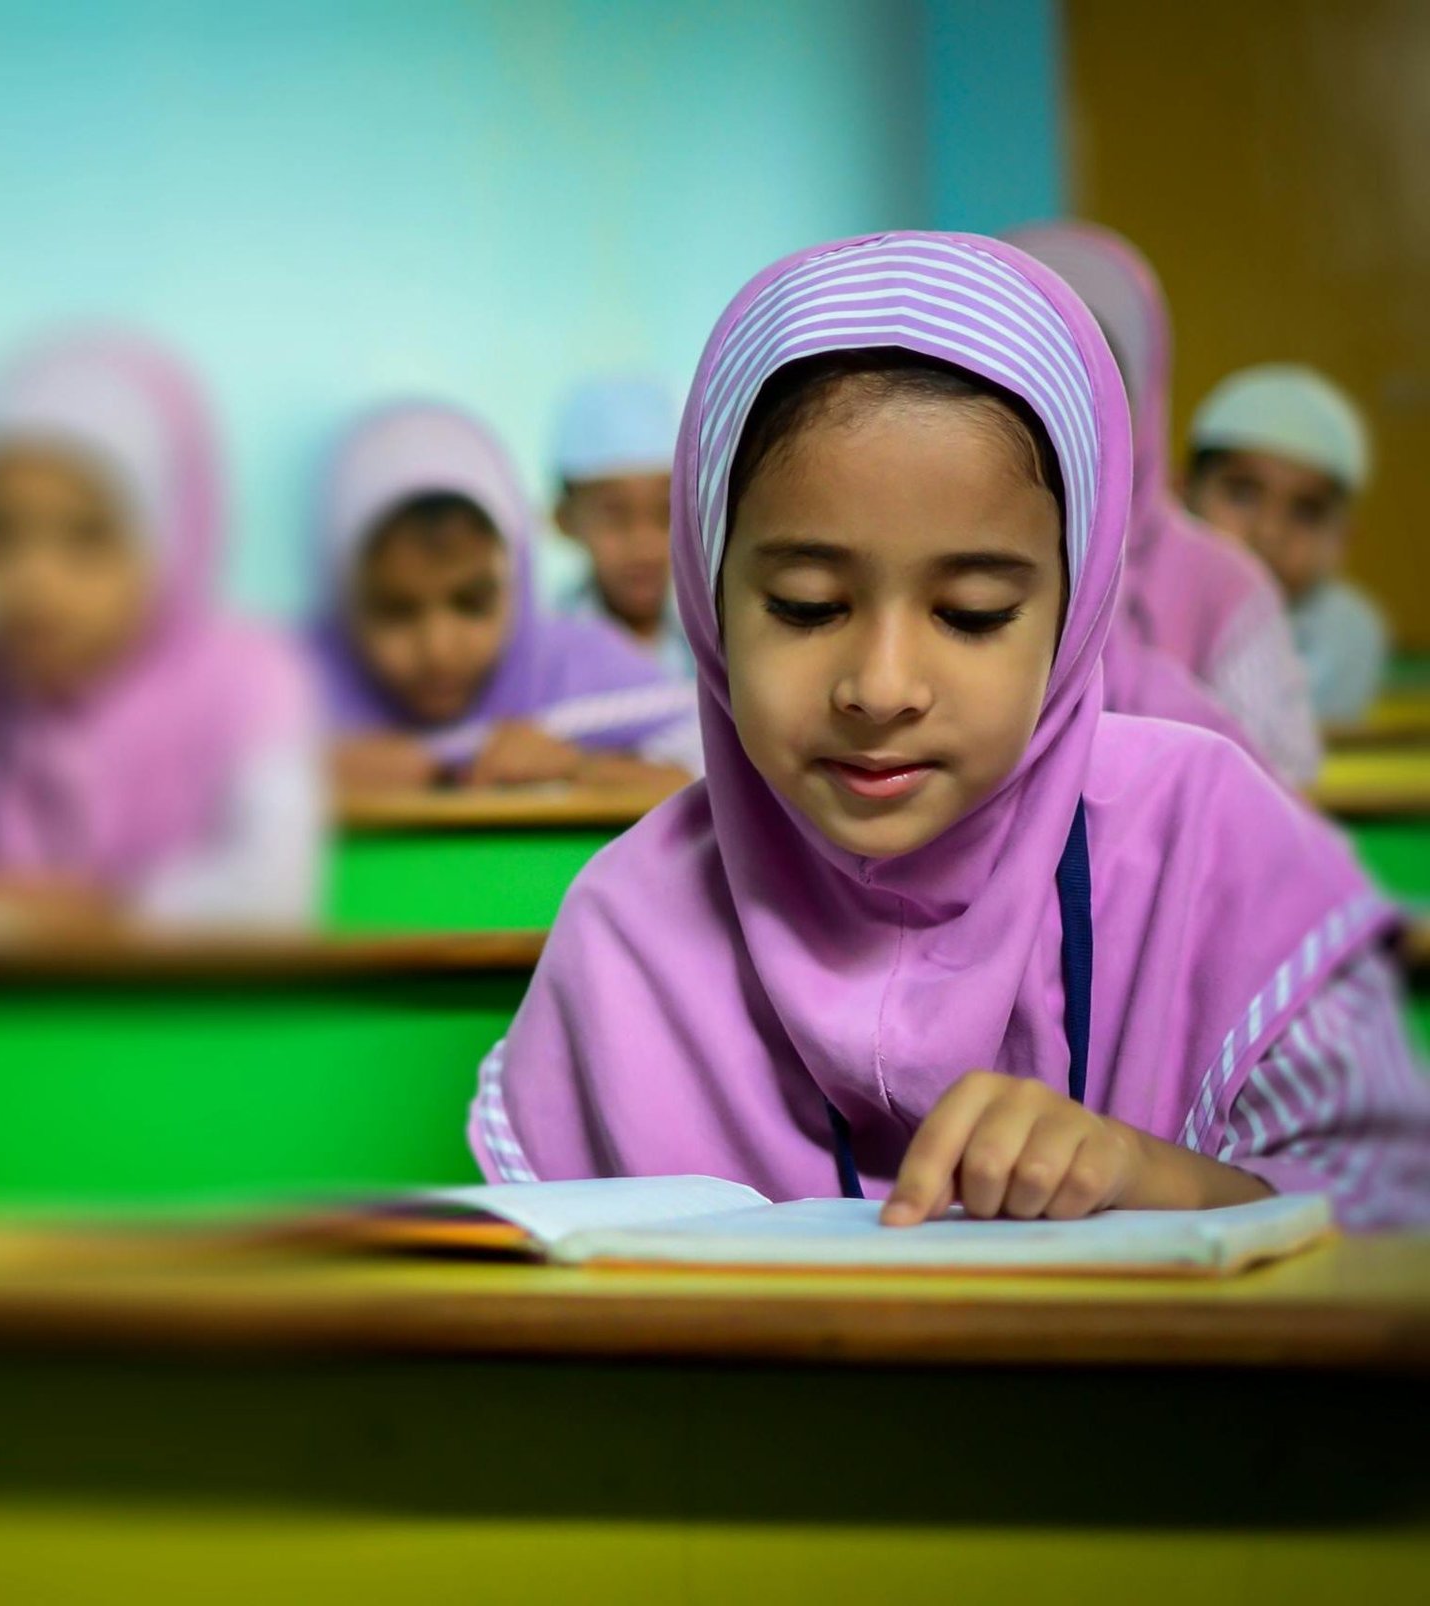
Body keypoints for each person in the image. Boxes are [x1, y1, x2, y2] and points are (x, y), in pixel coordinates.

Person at [471, 232, 1428, 1229]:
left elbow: (1396, 1219)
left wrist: (1162, 1182)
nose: (881, 689)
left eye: (970, 613)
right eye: (804, 605)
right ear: (709, 598)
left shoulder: (1211, 845)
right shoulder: (630, 931)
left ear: (1077, 603)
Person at [0, 331, 322, 929]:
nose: (32, 579)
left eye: (86, 536)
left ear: (169, 536)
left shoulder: (250, 679)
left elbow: (272, 898)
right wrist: (106, 914)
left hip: (175, 1023)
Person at [1008, 222, 1320, 785]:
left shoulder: (1223, 583)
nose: (1059, 412)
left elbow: (1278, 782)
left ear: (1141, 404)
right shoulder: (927, 558)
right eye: (1022, 379)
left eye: (1095, 380)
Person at [311, 401, 700, 792]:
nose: (439, 650)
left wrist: (579, 767)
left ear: (517, 582)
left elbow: (716, 774)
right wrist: (308, 778)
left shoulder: (583, 668)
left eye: (472, 604)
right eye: (396, 612)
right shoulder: (302, 690)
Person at [1186, 364, 1387, 726]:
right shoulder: (1132, 608)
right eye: (1242, 493)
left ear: (1340, 540)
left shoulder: (1348, 633)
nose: (1269, 532)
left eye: (1307, 512)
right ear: (1181, 496)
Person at [547, 376, 694, 679]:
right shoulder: (539, 650)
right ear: (564, 519)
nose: (644, 546)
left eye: (666, 512)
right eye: (614, 516)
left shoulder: (721, 633)